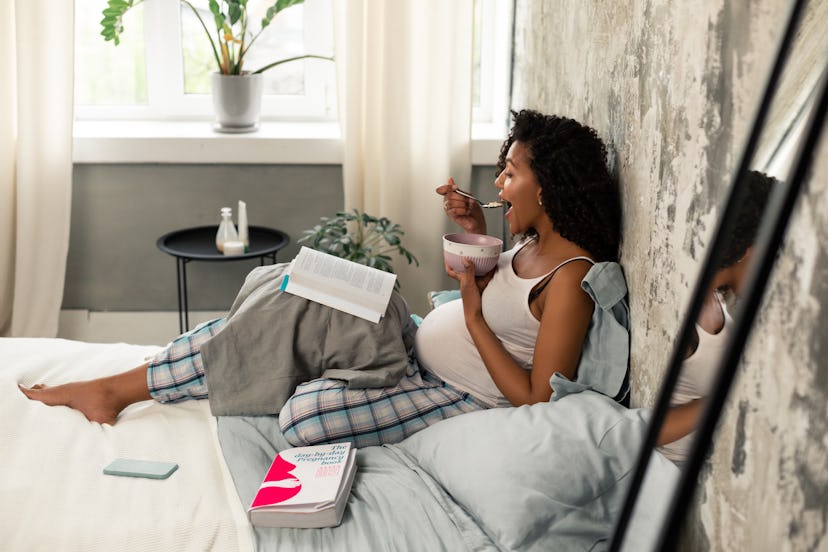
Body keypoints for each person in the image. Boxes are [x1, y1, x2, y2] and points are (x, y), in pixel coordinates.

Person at [20, 110, 629, 449]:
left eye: (511, 174)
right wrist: (472, 227)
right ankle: (121, 388)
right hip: (405, 337)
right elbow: (499, 298)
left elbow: (537, 401)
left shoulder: (573, 280)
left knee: (304, 418)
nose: (498, 184)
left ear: (547, 185)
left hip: (454, 393)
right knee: (284, 289)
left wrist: (469, 314)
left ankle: (203, 373)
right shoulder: (533, 241)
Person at [655, 169, 776, 464]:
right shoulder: (692, 314)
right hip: (667, 474)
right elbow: (648, 430)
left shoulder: (713, 300)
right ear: (750, 249)